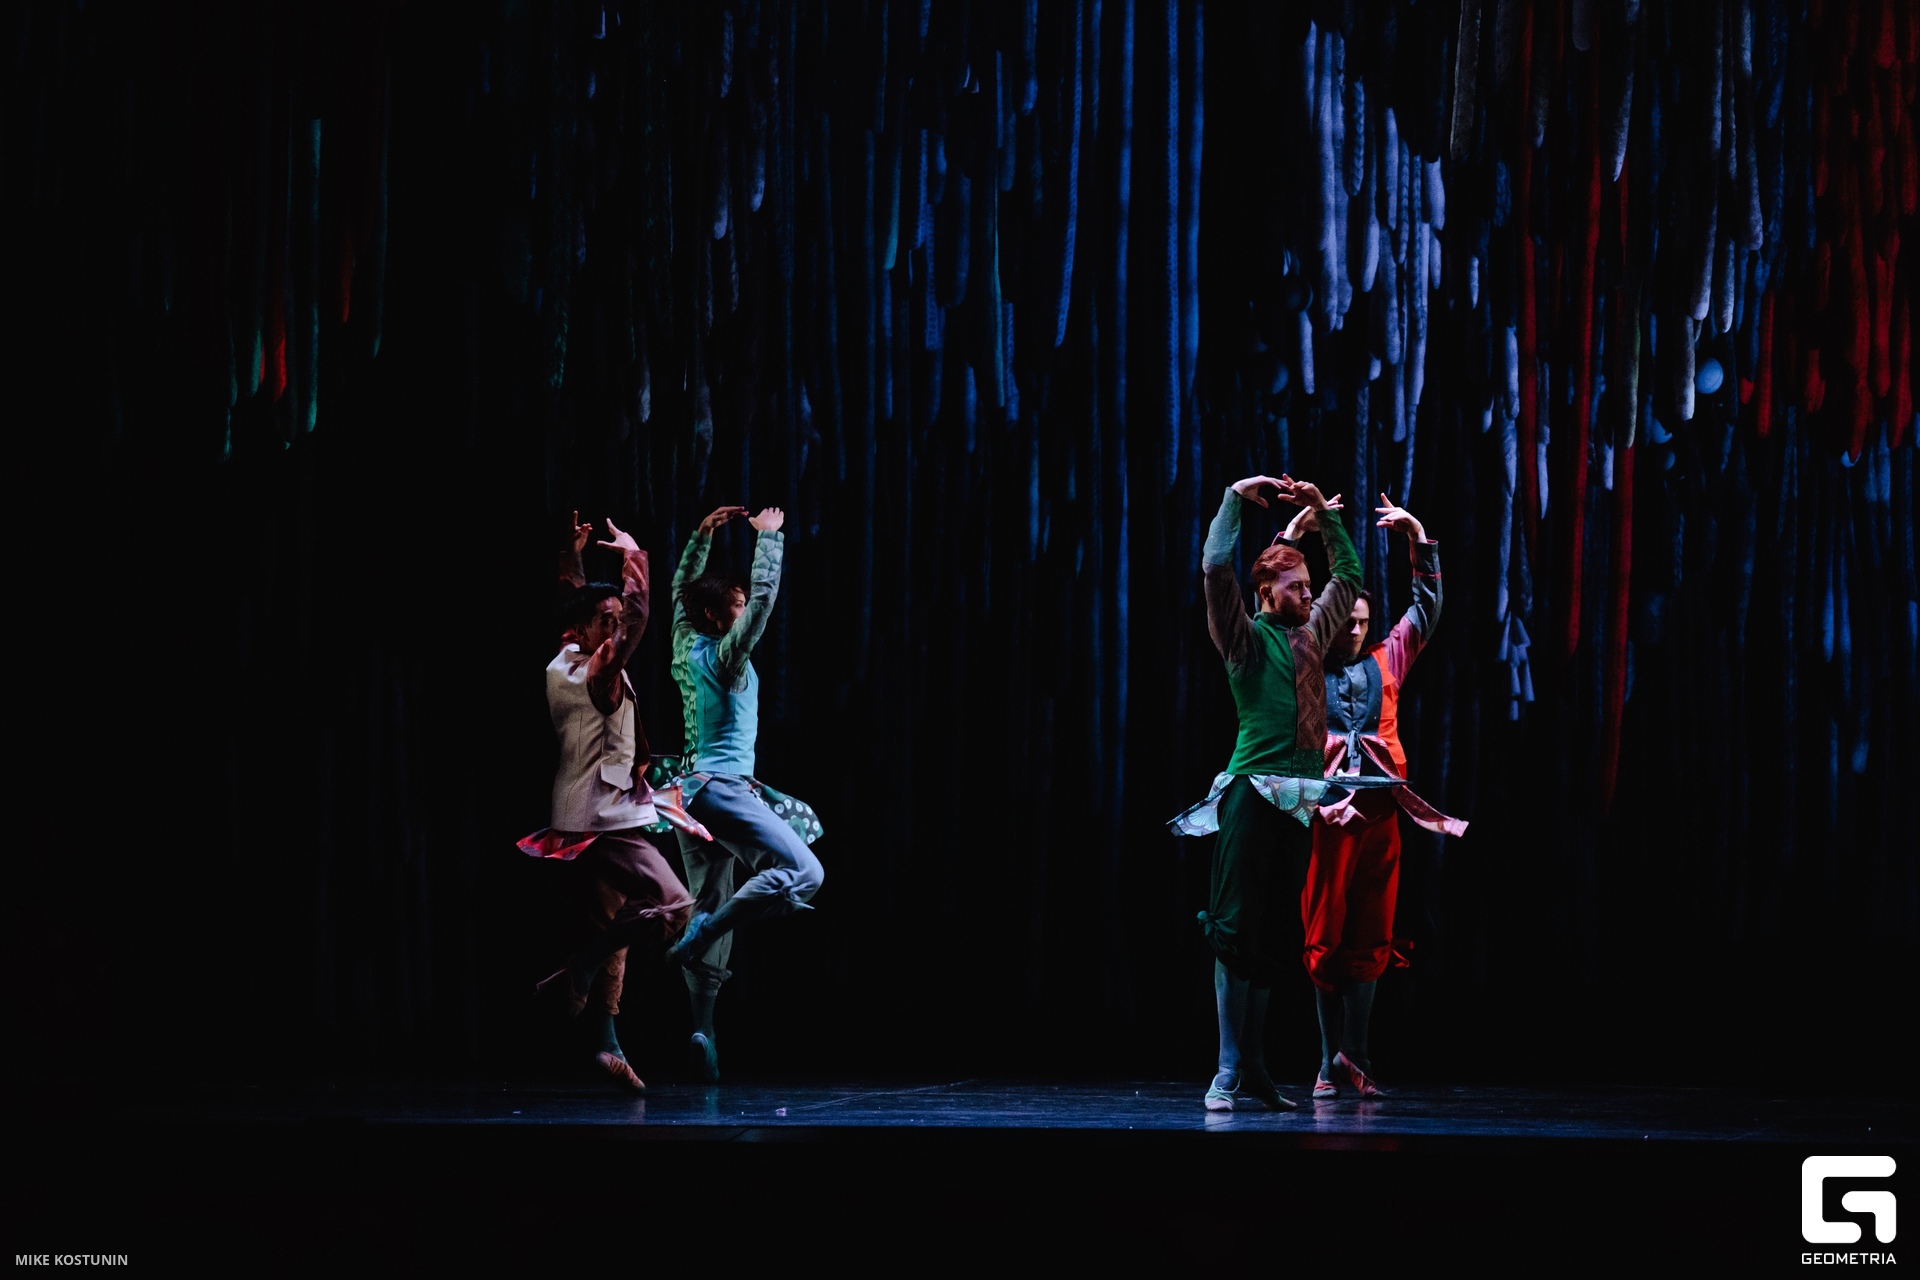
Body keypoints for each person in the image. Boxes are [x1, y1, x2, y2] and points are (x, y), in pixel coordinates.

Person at [1170, 474, 1361, 1112]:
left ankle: (1254, 1064)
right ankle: (1226, 1066)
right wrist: (1231, 500)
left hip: (1300, 800)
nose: (1308, 593)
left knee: (1276, 934)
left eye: (1309, 585)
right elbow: (1215, 569)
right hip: (1252, 793)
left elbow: (1350, 577)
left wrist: (1321, 513)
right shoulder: (1245, 641)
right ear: (1266, 592)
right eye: (1296, 586)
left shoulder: (1312, 635)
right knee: (1235, 930)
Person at [1284, 494, 1466, 1100]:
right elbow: (1276, 613)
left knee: (1373, 932)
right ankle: (1324, 1059)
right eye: (1347, 620)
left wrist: (1419, 539)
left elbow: (1426, 610)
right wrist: (1292, 535)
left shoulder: (1387, 661)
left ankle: (1355, 1055)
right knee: (1323, 934)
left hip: (1381, 815)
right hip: (1328, 814)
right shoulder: (1305, 660)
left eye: (1363, 621)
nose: (1356, 629)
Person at [518, 516, 695, 1092]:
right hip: (605, 818)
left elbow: (578, 605)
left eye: (615, 619)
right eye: (607, 622)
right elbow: (633, 620)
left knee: (613, 921)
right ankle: (580, 968)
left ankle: (605, 1044)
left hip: (577, 814)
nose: (616, 627)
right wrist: (635, 558)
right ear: (588, 631)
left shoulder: (565, 656)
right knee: (673, 906)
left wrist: (572, 560)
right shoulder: (600, 671)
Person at [663, 504, 826, 1082]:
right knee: (804, 872)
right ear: (715, 615)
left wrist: (701, 535)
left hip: (687, 798)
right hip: (722, 789)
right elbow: (761, 606)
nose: (740, 612)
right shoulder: (727, 659)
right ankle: (707, 930)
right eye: (730, 606)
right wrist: (769, 542)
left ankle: (703, 1031)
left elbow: (679, 594)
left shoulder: (684, 646)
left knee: (708, 897)